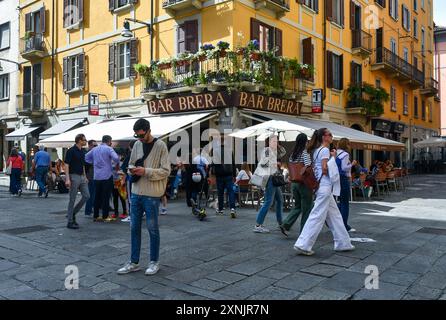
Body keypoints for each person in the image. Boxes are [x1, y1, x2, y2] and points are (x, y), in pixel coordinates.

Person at [117, 119, 170, 276]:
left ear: (148, 130)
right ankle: (134, 262)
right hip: (136, 192)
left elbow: (166, 170)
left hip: (152, 195)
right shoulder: (137, 145)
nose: (139, 138)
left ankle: (154, 262)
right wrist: (132, 170)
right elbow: (130, 164)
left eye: (141, 135)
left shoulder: (161, 146)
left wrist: (145, 171)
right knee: (134, 228)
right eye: (137, 136)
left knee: (152, 229)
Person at [293, 128, 355, 256]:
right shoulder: (325, 150)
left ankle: (343, 243)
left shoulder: (316, 151)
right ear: (323, 137)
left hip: (321, 186)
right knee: (317, 215)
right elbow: (325, 169)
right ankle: (303, 244)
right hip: (325, 186)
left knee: (335, 216)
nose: (332, 136)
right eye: (330, 134)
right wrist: (333, 158)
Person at [253, 134, 287, 234]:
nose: (275, 143)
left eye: (276, 141)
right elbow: (262, 163)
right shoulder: (267, 150)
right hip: (270, 179)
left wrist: (279, 145)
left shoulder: (274, 151)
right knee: (268, 202)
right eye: (273, 141)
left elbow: (283, 152)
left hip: (274, 179)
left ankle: (281, 223)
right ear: (269, 142)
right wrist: (274, 164)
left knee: (280, 200)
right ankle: (258, 225)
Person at [280, 133, 313, 235]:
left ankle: (285, 224)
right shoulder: (305, 153)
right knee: (307, 208)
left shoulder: (292, 153)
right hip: (304, 182)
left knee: (297, 206)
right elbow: (308, 166)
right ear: (305, 142)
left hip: (294, 182)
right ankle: (304, 231)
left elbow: (291, 167)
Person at [85, 135, 120, 222]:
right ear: (109, 141)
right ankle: (105, 216)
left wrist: (93, 161)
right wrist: (115, 164)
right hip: (106, 176)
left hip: (97, 176)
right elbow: (116, 158)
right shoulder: (108, 149)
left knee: (97, 196)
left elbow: (86, 157)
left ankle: (96, 216)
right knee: (106, 196)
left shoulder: (95, 149)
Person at [65, 134, 90, 229]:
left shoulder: (82, 151)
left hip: (82, 176)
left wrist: (85, 176)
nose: (85, 141)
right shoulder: (71, 150)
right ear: (79, 140)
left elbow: (83, 164)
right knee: (72, 199)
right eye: (84, 140)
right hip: (73, 176)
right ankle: (70, 222)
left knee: (87, 195)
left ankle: (73, 213)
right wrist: (67, 179)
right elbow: (66, 164)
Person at [211, 135, 237, 218]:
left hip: (219, 174)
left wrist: (212, 171)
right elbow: (233, 163)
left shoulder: (215, 150)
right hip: (229, 174)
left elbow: (214, 163)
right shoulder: (230, 150)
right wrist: (234, 175)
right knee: (231, 192)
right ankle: (232, 209)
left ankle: (221, 210)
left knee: (220, 193)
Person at [336, 138, 355, 233]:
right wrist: (352, 164)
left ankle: (338, 222)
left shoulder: (336, 153)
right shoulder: (345, 154)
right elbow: (344, 168)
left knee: (340, 201)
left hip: (337, 179)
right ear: (346, 145)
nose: (349, 146)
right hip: (343, 179)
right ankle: (344, 225)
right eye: (349, 144)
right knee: (345, 203)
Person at [120, 140, 136, 221]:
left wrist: (123, 180)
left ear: (130, 147)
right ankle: (138, 213)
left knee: (130, 199)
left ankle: (131, 215)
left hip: (130, 178)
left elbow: (124, 170)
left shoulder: (130, 155)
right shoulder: (140, 154)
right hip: (139, 179)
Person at [84, 140, 97, 216]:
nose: (96, 147)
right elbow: (85, 167)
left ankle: (90, 209)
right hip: (89, 177)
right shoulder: (87, 154)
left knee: (93, 194)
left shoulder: (93, 154)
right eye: (94, 146)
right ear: (89, 146)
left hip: (94, 176)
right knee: (90, 194)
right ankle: (88, 211)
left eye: (96, 146)